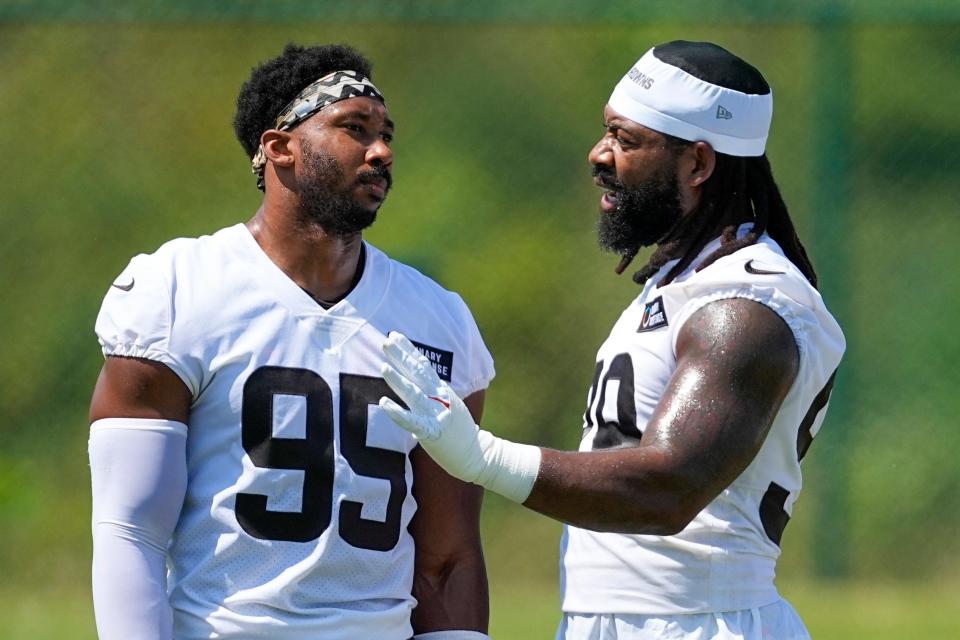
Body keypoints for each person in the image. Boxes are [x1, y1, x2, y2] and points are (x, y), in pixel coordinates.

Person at [378, 40, 846, 640]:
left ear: (698, 164)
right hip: (627, 620)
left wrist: (484, 458)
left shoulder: (747, 304)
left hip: (701, 622)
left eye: (626, 140)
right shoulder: (684, 279)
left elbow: (667, 489)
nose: (598, 154)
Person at [88, 43, 495, 640]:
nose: (381, 151)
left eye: (386, 134)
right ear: (280, 148)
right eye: (354, 129)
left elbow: (447, 556)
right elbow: (131, 530)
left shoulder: (438, 319)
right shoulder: (177, 292)